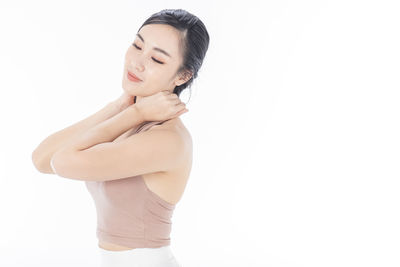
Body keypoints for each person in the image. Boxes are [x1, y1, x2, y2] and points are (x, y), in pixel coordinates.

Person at [31, 8, 210, 267]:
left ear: (182, 76)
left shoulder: (167, 139)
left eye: (157, 60)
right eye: (137, 45)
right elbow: (42, 160)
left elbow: (63, 162)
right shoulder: (131, 120)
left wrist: (133, 112)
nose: (137, 62)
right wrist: (119, 107)